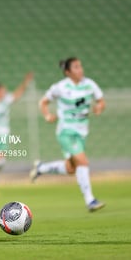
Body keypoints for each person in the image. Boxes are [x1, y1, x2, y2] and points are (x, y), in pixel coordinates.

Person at [30, 57, 105, 212]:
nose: (81, 70)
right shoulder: (60, 87)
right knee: (82, 162)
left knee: (71, 168)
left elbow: (101, 101)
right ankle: (90, 200)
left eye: (81, 66)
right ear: (68, 72)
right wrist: (47, 115)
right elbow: (43, 102)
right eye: (76, 67)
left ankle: (42, 168)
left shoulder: (89, 84)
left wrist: (99, 107)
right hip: (66, 132)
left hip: (81, 133)